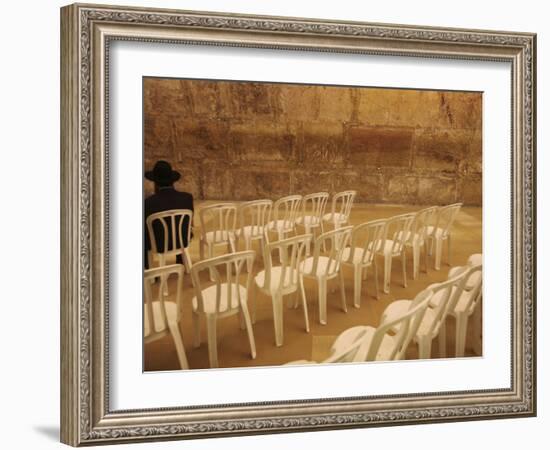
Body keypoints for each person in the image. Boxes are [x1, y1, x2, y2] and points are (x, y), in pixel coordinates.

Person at [144, 160, 194, 269]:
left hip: (159, 244)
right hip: (182, 240)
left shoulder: (148, 203)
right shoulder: (187, 198)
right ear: (172, 181)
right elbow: (190, 223)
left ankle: (148, 269)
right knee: (178, 225)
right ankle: (181, 259)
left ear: (155, 183)